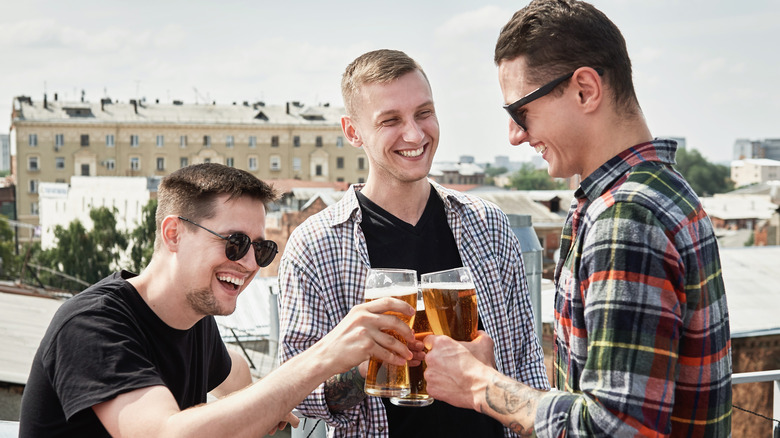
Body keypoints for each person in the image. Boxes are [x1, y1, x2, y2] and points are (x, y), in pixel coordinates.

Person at [423, 1, 733, 436]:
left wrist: (478, 385)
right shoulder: (661, 190)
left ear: (585, 89)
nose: (515, 135)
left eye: (520, 112)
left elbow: (615, 428)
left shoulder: (626, 218)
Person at [19, 163, 418, 437]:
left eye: (260, 250)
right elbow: (165, 434)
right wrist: (324, 356)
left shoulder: (194, 320)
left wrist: (265, 406)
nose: (248, 264)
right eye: (235, 243)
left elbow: (237, 375)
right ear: (173, 234)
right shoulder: (92, 324)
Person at [277, 48, 549, 438]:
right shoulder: (316, 246)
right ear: (353, 132)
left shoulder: (488, 225)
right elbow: (301, 396)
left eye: (424, 113)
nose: (415, 134)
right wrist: (362, 366)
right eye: (390, 120)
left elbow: (527, 364)